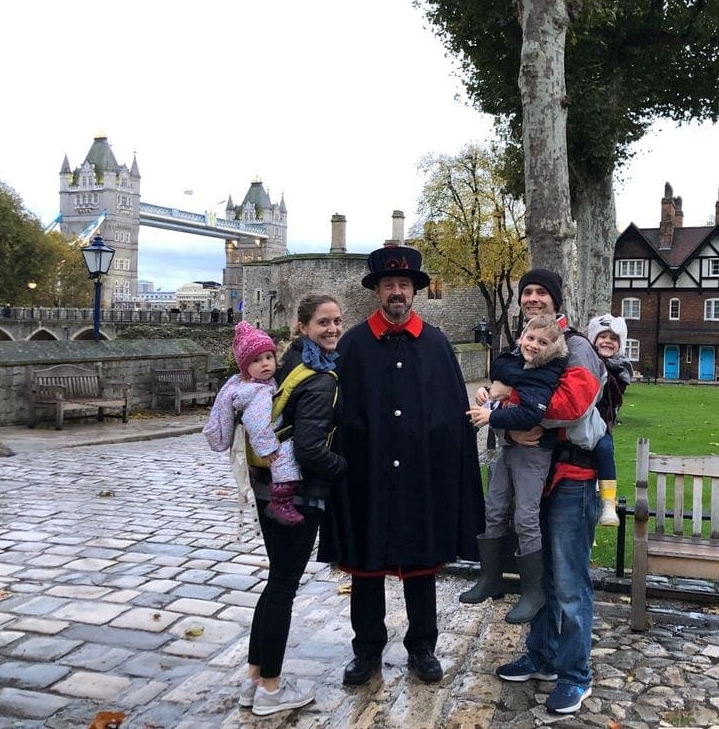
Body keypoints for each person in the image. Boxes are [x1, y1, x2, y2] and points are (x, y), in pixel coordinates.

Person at [320, 245, 484, 686]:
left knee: (420, 564)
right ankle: (367, 650)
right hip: (366, 474)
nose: (397, 292)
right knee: (365, 565)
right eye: (389, 285)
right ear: (377, 291)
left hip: (418, 475)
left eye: (404, 285)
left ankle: (423, 647)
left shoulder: (435, 344)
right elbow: (329, 409)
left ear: (414, 290)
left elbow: (451, 415)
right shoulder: (352, 344)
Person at [204, 296, 346, 717]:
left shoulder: (282, 368)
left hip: (267, 489)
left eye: (338, 321)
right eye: (323, 322)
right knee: (283, 588)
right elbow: (309, 447)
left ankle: (253, 679)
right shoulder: (319, 379)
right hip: (299, 494)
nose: (333, 328)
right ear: (302, 326)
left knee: (275, 584)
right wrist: (345, 469)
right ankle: (271, 689)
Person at [493, 268, 603, 716]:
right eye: (527, 293)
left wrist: (513, 404)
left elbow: (572, 405)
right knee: (539, 577)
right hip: (533, 475)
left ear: (557, 300)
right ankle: (542, 657)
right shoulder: (524, 348)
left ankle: (576, 674)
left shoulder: (576, 347)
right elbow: (493, 399)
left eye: (542, 292)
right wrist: (508, 421)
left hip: (572, 478)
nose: (534, 299)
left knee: (570, 582)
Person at [463, 314, 568, 624]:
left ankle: (533, 591)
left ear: (553, 347)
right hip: (510, 447)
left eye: (543, 342)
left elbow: (529, 414)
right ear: (522, 336)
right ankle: (490, 577)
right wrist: (491, 391)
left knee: (525, 517)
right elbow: (499, 367)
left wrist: (493, 415)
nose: (534, 345)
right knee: (493, 508)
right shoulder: (519, 362)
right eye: (530, 338)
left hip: (533, 453)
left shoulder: (548, 370)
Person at [205, 322, 303, 525]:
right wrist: (268, 450)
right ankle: (281, 501)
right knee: (286, 458)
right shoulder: (257, 392)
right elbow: (257, 422)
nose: (265, 364)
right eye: (257, 360)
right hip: (270, 441)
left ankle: (255, 472)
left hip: (261, 441)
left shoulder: (256, 383)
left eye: (269, 357)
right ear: (246, 367)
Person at [586, 313, 634, 526]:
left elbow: (614, 397)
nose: (607, 341)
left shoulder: (619, 368)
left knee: (605, 448)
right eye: (602, 337)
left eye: (613, 338)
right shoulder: (586, 361)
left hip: (602, 423)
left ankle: (608, 503)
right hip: (582, 419)